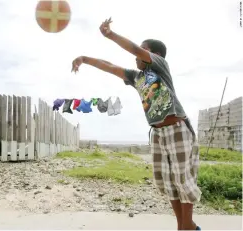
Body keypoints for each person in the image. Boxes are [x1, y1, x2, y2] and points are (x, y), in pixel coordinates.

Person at [71, 18, 201, 231]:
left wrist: (110, 35)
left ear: (154, 55)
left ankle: (186, 227)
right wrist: (84, 59)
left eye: (142, 51)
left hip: (177, 128)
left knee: (183, 181)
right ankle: (184, 226)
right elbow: (111, 67)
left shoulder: (160, 66)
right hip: (158, 134)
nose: (135, 56)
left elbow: (132, 48)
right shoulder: (136, 77)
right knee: (167, 183)